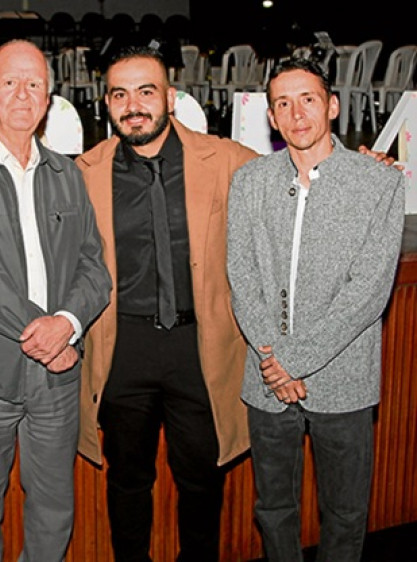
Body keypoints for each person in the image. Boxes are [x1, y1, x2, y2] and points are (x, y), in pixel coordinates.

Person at [0, 40, 110, 561]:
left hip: (55, 380)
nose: (23, 94)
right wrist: (50, 335)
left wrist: (69, 324)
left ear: (49, 99)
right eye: (10, 82)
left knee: (54, 511)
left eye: (35, 84)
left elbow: (93, 267)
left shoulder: (66, 175)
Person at [75, 46, 256, 562]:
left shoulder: (223, 159)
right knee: (128, 479)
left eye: (146, 91)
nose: (133, 104)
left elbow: (296, 178)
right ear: (106, 103)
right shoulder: (85, 172)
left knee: (201, 478)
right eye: (120, 93)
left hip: (198, 348)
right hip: (121, 346)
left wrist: (361, 165)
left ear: (170, 98)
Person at [227, 57, 404, 562]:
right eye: (282, 103)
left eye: (307, 99)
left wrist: (294, 360)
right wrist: (274, 362)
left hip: (343, 378)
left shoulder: (378, 182)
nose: (296, 113)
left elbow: (369, 291)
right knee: (273, 508)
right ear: (271, 116)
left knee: (346, 513)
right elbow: (242, 278)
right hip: (266, 380)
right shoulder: (250, 181)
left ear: (331, 105)